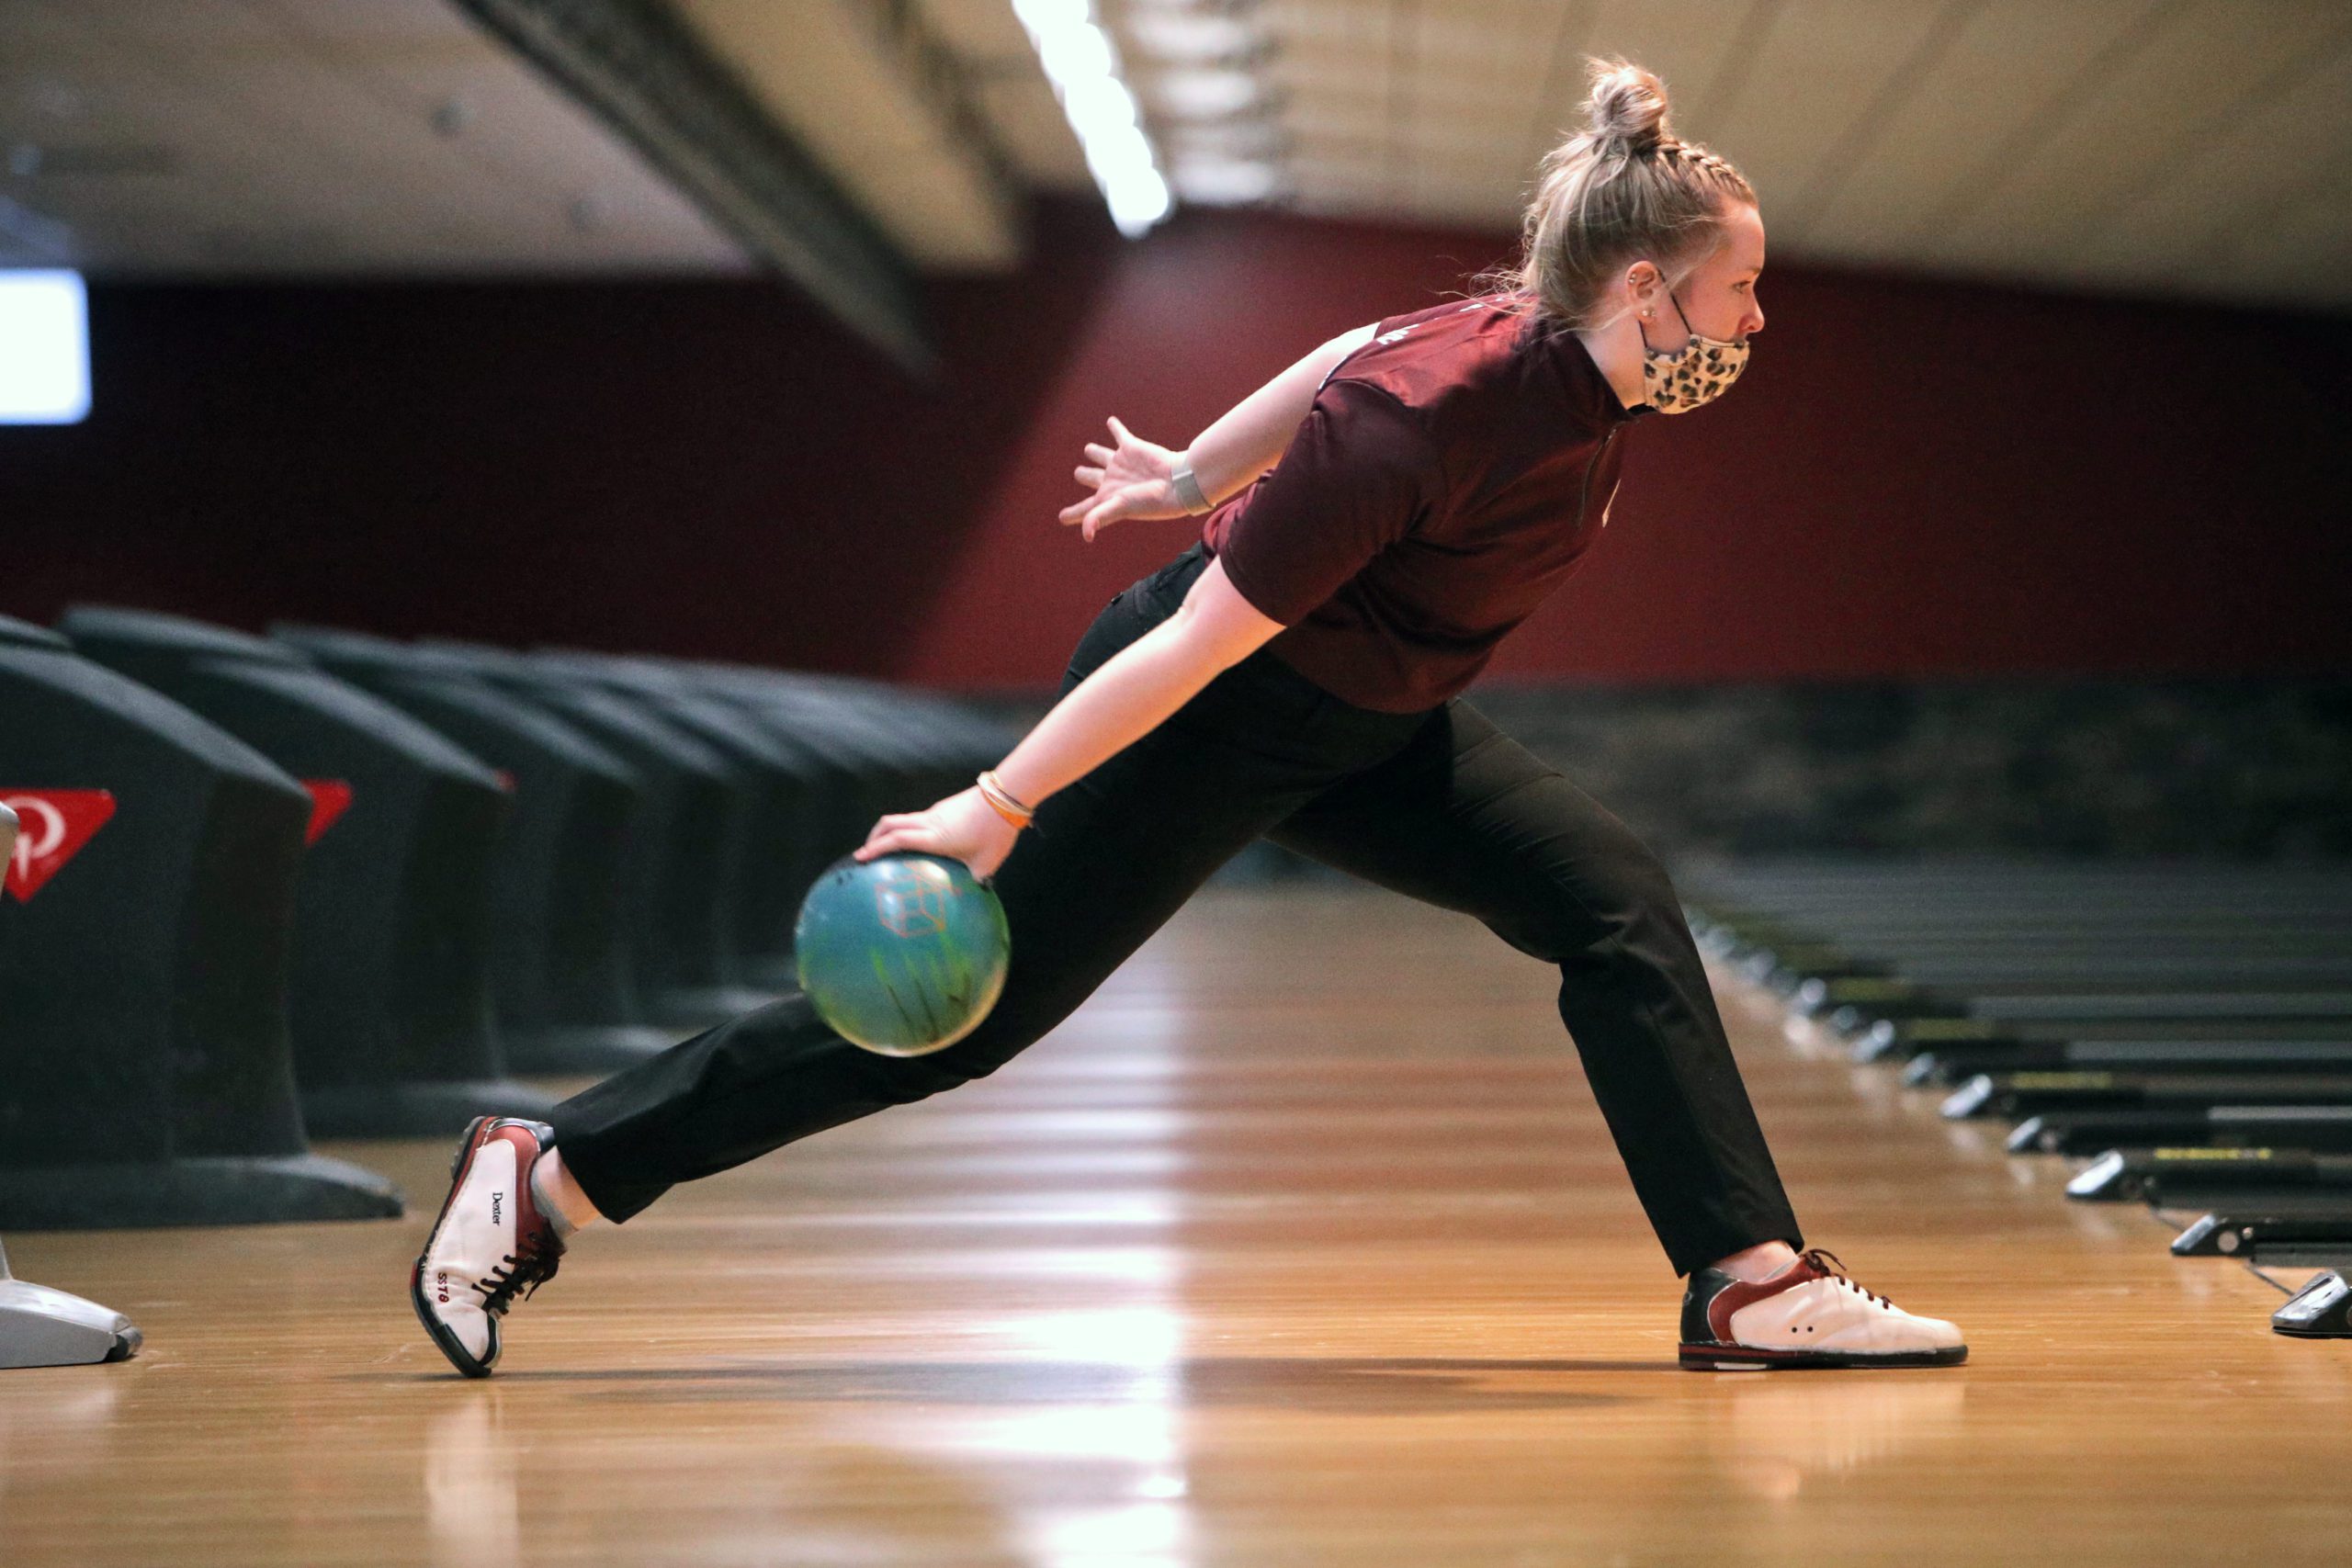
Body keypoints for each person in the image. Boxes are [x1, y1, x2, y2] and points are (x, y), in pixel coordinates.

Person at [411, 59, 1966, 1378]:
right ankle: (546, 1175)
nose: (1757, 323)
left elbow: (1342, 345)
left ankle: (1751, 1282)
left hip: (1374, 722)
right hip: (1216, 706)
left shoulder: (1563, 375)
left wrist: (1189, 476)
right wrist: (995, 804)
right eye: (1744, 287)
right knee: (952, 1026)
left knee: (1611, 897)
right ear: (1648, 288)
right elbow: (1198, 644)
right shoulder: (1435, 414)